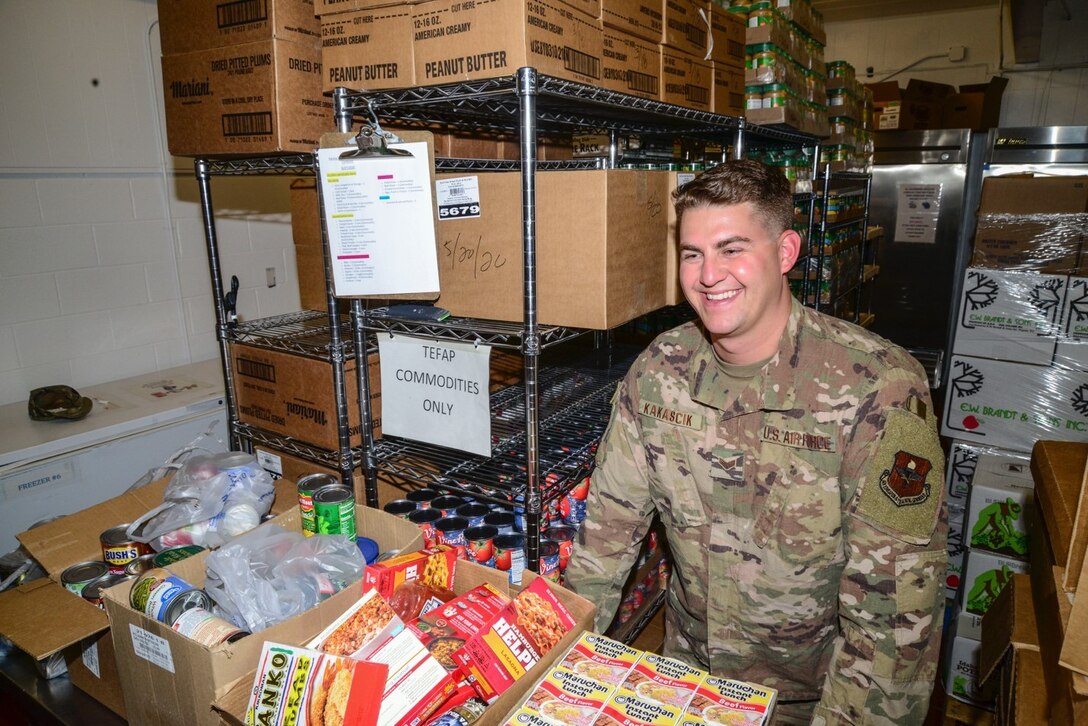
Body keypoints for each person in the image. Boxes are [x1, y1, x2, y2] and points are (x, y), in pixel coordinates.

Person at [564, 159, 947, 725]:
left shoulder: (879, 389)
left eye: (732, 249)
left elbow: (893, 621)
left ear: (786, 253)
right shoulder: (658, 373)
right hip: (686, 682)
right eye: (693, 253)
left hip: (811, 701)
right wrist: (561, 663)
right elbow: (605, 539)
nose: (708, 274)